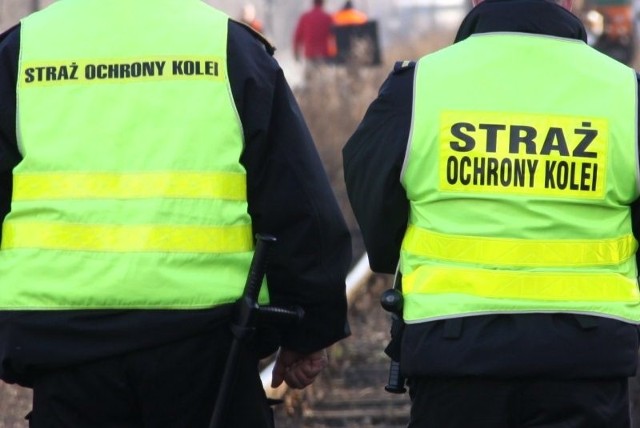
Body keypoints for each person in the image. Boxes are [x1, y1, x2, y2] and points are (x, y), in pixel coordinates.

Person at [0, 0, 352, 427]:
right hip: (209, 346)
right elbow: (295, 199)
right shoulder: (228, 47)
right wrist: (307, 330)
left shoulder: (22, 52)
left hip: (65, 349)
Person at [343, 0, 640, 426]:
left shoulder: (420, 85)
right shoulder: (625, 92)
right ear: (571, 1)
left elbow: (367, 176)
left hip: (452, 349)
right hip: (586, 356)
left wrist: (393, 252)